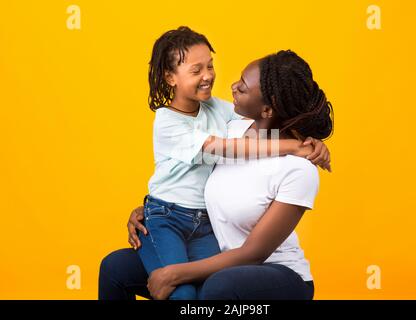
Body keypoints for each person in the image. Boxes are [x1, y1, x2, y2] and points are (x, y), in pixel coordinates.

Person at [98, 26, 331, 300]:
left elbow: (253, 254)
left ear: (267, 109)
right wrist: (150, 208)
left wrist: (303, 145)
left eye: (242, 87)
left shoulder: (298, 168)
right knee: (115, 267)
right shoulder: (229, 131)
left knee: (210, 289)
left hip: (275, 274)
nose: (231, 86)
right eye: (197, 70)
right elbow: (203, 163)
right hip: (205, 244)